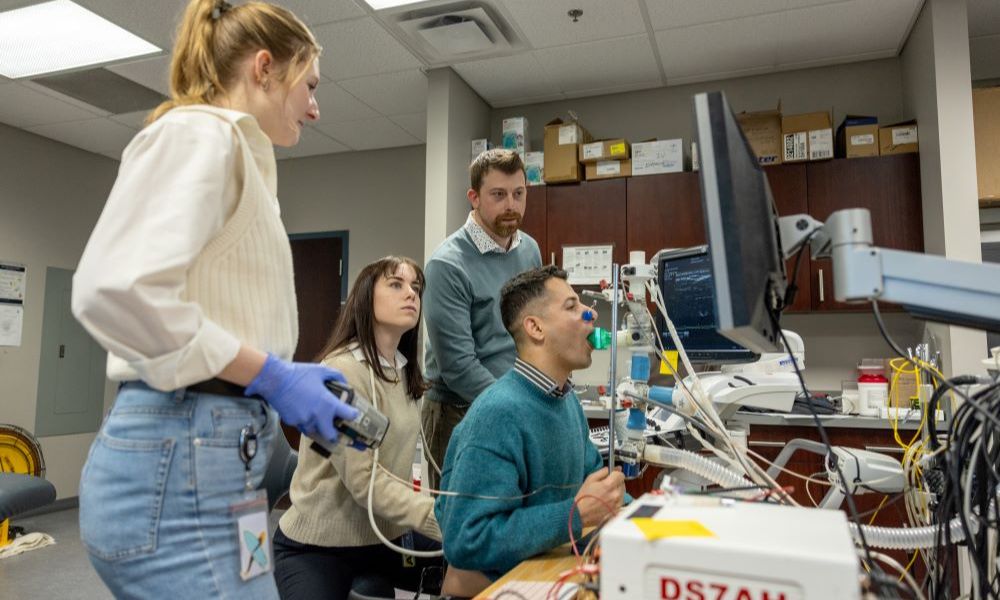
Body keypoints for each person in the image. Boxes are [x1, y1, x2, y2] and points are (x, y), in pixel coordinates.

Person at [71, 1, 357, 597]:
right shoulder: (197, 132)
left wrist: (272, 373)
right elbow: (116, 289)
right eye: (309, 84)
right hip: (179, 465)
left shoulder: (241, 156)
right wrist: (271, 374)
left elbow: (221, 305)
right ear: (264, 68)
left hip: (230, 465)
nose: (316, 106)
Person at [434, 265, 626, 582]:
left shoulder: (568, 403)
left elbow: (596, 485)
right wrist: (575, 515)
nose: (589, 316)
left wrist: (651, 515)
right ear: (535, 328)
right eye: (571, 306)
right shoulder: (498, 414)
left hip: (549, 572)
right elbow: (467, 539)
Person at [273, 256, 443, 599]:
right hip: (319, 545)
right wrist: (441, 518)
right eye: (396, 284)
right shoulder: (341, 373)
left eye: (415, 287)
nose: (411, 293)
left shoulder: (403, 372)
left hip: (384, 537)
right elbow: (365, 481)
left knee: (480, 560)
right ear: (366, 297)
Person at [420, 149, 542, 488]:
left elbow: (535, 329)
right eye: (498, 195)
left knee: (511, 513)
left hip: (512, 403)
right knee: (458, 525)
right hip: (457, 411)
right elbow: (458, 366)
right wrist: (517, 406)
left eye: (519, 194)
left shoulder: (529, 249)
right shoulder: (447, 265)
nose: (511, 205)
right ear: (474, 198)